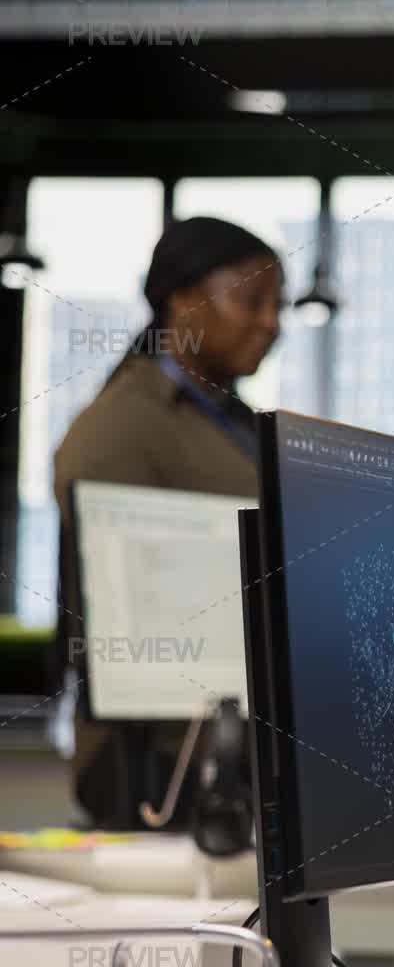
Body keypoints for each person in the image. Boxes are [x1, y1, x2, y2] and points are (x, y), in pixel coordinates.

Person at [54, 216, 284, 825]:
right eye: (251, 300)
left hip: (243, 750)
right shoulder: (122, 424)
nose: (271, 323)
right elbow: (116, 614)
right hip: (163, 764)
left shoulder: (236, 421)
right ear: (181, 299)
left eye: (277, 305)